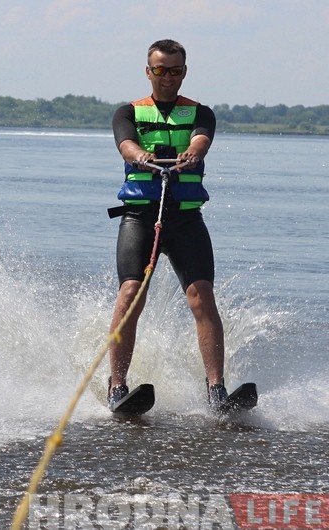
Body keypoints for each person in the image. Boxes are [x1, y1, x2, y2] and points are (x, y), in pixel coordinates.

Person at [106, 39, 227, 411]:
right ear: (149, 71)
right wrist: (140, 155)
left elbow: (201, 139)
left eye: (175, 71)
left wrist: (193, 152)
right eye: (160, 70)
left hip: (186, 219)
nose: (167, 77)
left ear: (184, 72)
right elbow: (126, 145)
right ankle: (117, 386)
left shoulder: (201, 113)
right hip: (141, 217)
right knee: (130, 294)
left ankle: (217, 389)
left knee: (201, 295)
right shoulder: (127, 113)